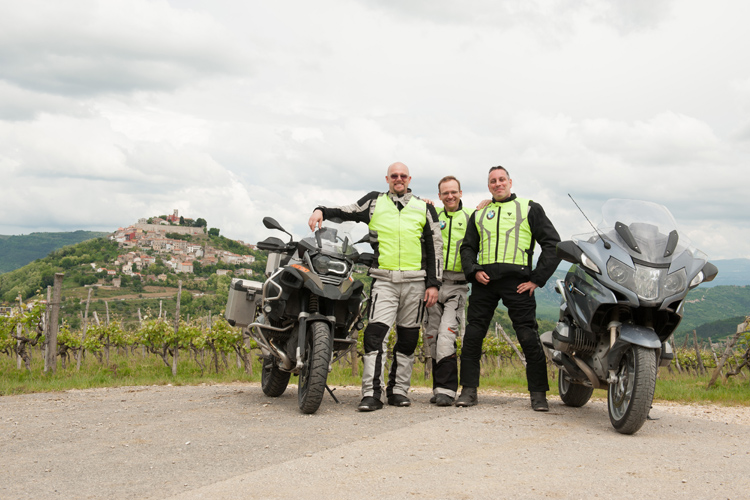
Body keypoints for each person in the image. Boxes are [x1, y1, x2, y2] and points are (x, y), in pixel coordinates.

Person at [308, 162, 442, 412]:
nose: (398, 179)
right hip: (385, 280)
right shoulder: (373, 202)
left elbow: (435, 247)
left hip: (416, 281)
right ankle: (371, 393)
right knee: (374, 335)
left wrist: (433, 284)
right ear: (387, 179)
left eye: (403, 176)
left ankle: (399, 391)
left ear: (409, 179)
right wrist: (320, 210)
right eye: (394, 176)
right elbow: (345, 211)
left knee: (409, 338)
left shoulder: (424, 208)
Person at [456, 166, 560, 411]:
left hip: (519, 284)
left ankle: (538, 395)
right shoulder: (480, 213)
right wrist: (473, 270)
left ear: (510, 182)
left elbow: (553, 243)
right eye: (493, 181)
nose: (497, 184)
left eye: (502, 179)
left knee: (528, 337)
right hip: (485, 282)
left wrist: (537, 279)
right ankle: (468, 391)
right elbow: (468, 248)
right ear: (488, 185)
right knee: (472, 336)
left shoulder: (530, 208)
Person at [423, 176, 473, 406]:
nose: (450, 196)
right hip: (434, 285)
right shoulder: (433, 216)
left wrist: (485, 204)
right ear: (440, 196)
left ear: (461, 193)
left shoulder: (471, 216)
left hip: (458, 285)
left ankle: (448, 390)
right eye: (445, 193)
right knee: (432, 336)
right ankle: (439, 389)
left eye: (454, 192)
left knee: (446, 336)